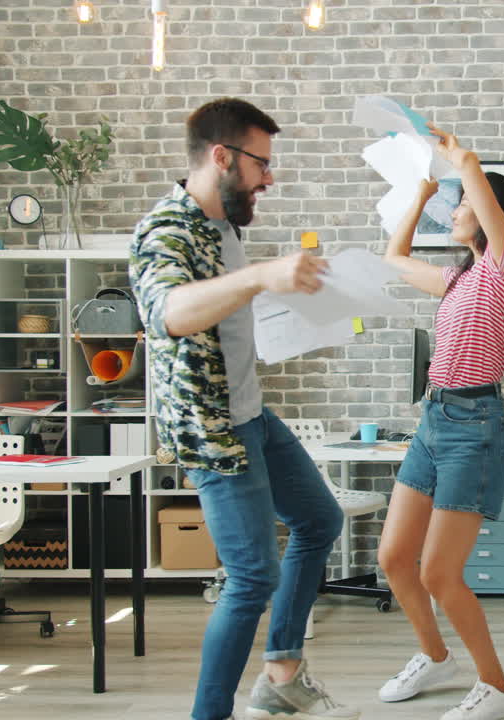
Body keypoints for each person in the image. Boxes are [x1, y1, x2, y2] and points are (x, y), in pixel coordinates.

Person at [130, 97, 357, 720]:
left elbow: (229, 315)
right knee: (252, 578)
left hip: (251, 416)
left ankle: (282, 674)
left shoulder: (225, 226)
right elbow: (169, 313)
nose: (269, 178)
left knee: (318, 521)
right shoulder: (166, 229)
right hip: (213, 432)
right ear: (222, 156)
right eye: (262, 164)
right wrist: (260, 277)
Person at [375, 124, 504, 720]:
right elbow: (394, 258)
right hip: (434, 422)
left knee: (438, 572)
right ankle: (435, 657)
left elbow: (481, 187)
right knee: (395, 560)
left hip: (474, 428)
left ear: (491, 214)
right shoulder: (459, 279)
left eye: (463, 204)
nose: (457, 212)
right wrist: (422, 196)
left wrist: (463, 159)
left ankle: (498, 688)